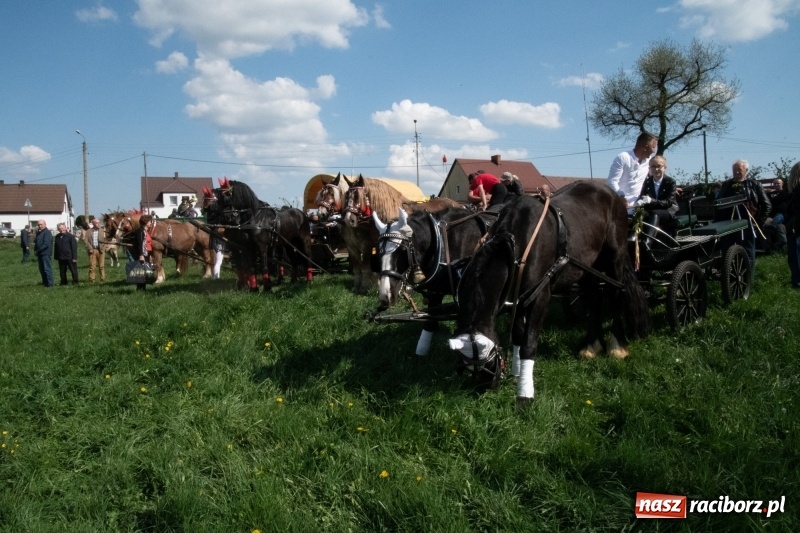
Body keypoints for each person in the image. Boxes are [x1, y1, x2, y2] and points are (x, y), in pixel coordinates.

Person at [717, 159, 771, 278]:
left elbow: (766, 205)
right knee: (728, 253)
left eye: (739, 170)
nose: (736, 172)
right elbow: (718, 204)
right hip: (728, 225)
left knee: (748, 252)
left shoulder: (754, 184)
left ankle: (748, 281)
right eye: (734, 170)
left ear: (746, 171)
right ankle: (731, 279)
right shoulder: (726, 185)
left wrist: (757, 222)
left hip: (747, 224)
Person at [607, 131, 659, 214]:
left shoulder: (649, 162)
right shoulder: (623, 157)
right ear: (645, 147)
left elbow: (657, 178)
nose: (654, 151)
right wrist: (621, 197)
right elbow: (612, 181)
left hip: (637, 207)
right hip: (616, 205)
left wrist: (671, 187)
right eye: (653, 147)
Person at [634, 155, 678, 245]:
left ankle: (648, 241)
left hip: (668, 210)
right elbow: (642, 196)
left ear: (665, 167)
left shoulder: (670, 182)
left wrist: (651, 201)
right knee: (638, 213)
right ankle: (633, 236)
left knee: (655, 213)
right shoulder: (647, 182)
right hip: (652, 209)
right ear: (649, 168)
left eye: (659, 166)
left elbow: (669, 202)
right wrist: (639, 202)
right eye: (653, 166)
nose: (656, 169)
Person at [763, 178, 790, 252]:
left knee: (778, 224)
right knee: (766, 225)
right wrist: (765, 191)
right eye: (775, 183)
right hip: (771, 216)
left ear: (782, 184)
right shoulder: (769, 194)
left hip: (783, 215)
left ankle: (778, 245)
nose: (776, 185)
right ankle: (768, 247)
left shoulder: (785, 193)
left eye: (778, 183)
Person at [786, 161, 800, 288]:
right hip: (795, 223)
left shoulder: (795, 190)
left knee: (795, 254)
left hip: (796, 224)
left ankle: (797, 280)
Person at [133, 214, 154, 290]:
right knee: (141, 272)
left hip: (147, 253)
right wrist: (141, 255)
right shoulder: (140, 231)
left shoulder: (145, 231)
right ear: (146, 222)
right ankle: (140, 288)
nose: (151, 223)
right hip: (142, 254)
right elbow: (140, 243)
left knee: (145, 272)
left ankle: (143, 288)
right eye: (150, 221)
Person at [82, 218, 106, 282]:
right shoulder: (88, 231)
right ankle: (92, 279)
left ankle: (102, 279)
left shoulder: (103, 231)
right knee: (92, 266)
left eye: (99, 223)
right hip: (92, 250)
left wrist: (103, 248)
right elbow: (86, 241)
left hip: (101, 250)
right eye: (97, 223)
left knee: (101, 266)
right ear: (93, 224)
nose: (98, 224)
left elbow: (106, 241)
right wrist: (90, 248)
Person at [33, 220, 54, 287]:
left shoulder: (47, 233)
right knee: (41, 269)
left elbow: (46, 244)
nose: (40, 226)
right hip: (40, 254)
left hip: (45, 253)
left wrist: (38, 251)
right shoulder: (39, 233)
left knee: (46, 269)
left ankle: (50, 284)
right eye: (39, 225)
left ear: (45, 224)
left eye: (41, 224)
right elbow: (36, 242)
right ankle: (45, 283)